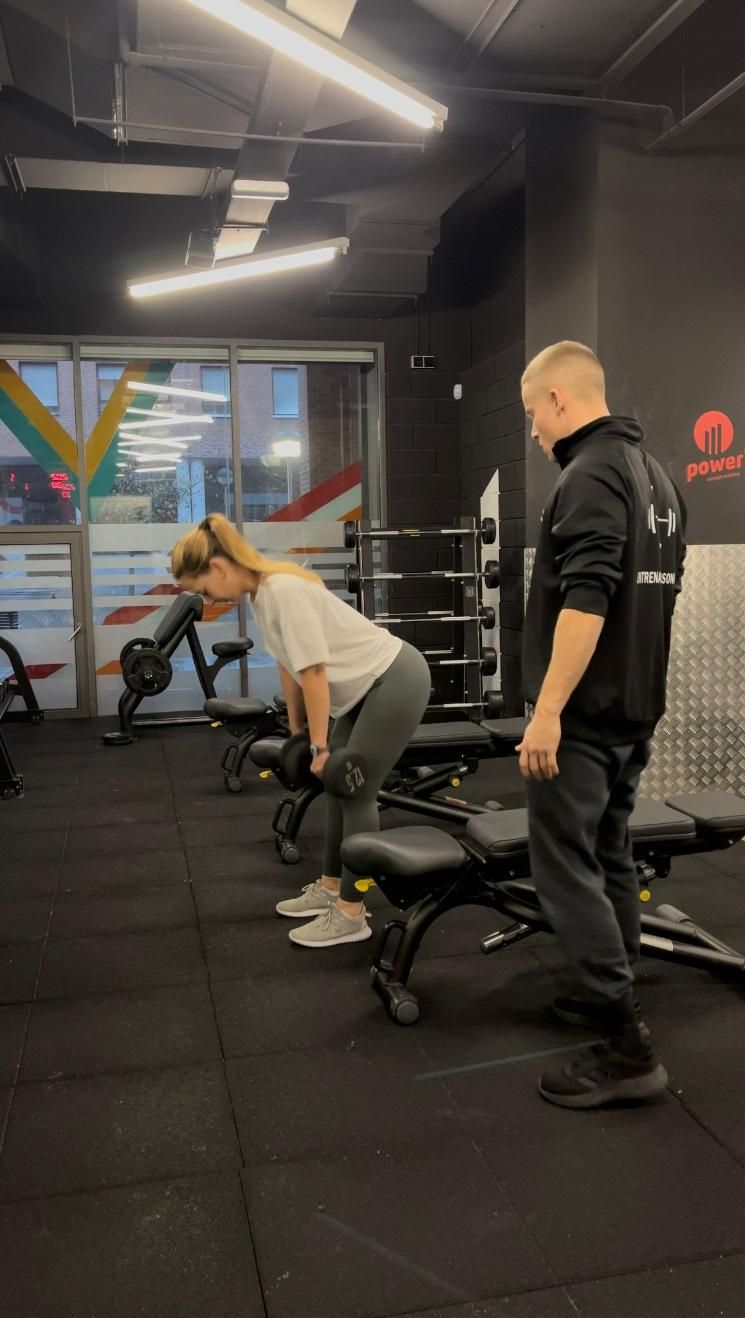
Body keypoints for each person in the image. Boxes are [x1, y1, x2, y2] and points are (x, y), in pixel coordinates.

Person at [518, 341, 686, 1109]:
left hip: (583, 718)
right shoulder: (658, 478)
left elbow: (587, 599)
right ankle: (608, 994)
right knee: (611, 854)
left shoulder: (587, 474)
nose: (531, 433)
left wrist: (547, 711)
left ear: (558, 399)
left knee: (565, 866)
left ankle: (624, 1047)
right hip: (632, 708)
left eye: (529, 415)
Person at [171, 515, 431, 949]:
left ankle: (352, 912)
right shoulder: (261, 594)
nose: (207, 598)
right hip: (364, 689)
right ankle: (331, 886)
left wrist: (320, 743)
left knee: (357, 790)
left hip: (394, 679)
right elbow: (289, 664)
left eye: (202, 588)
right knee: (335, 789)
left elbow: (313, 670)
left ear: (217, 567)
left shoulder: (281, 590)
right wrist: (296, 729)